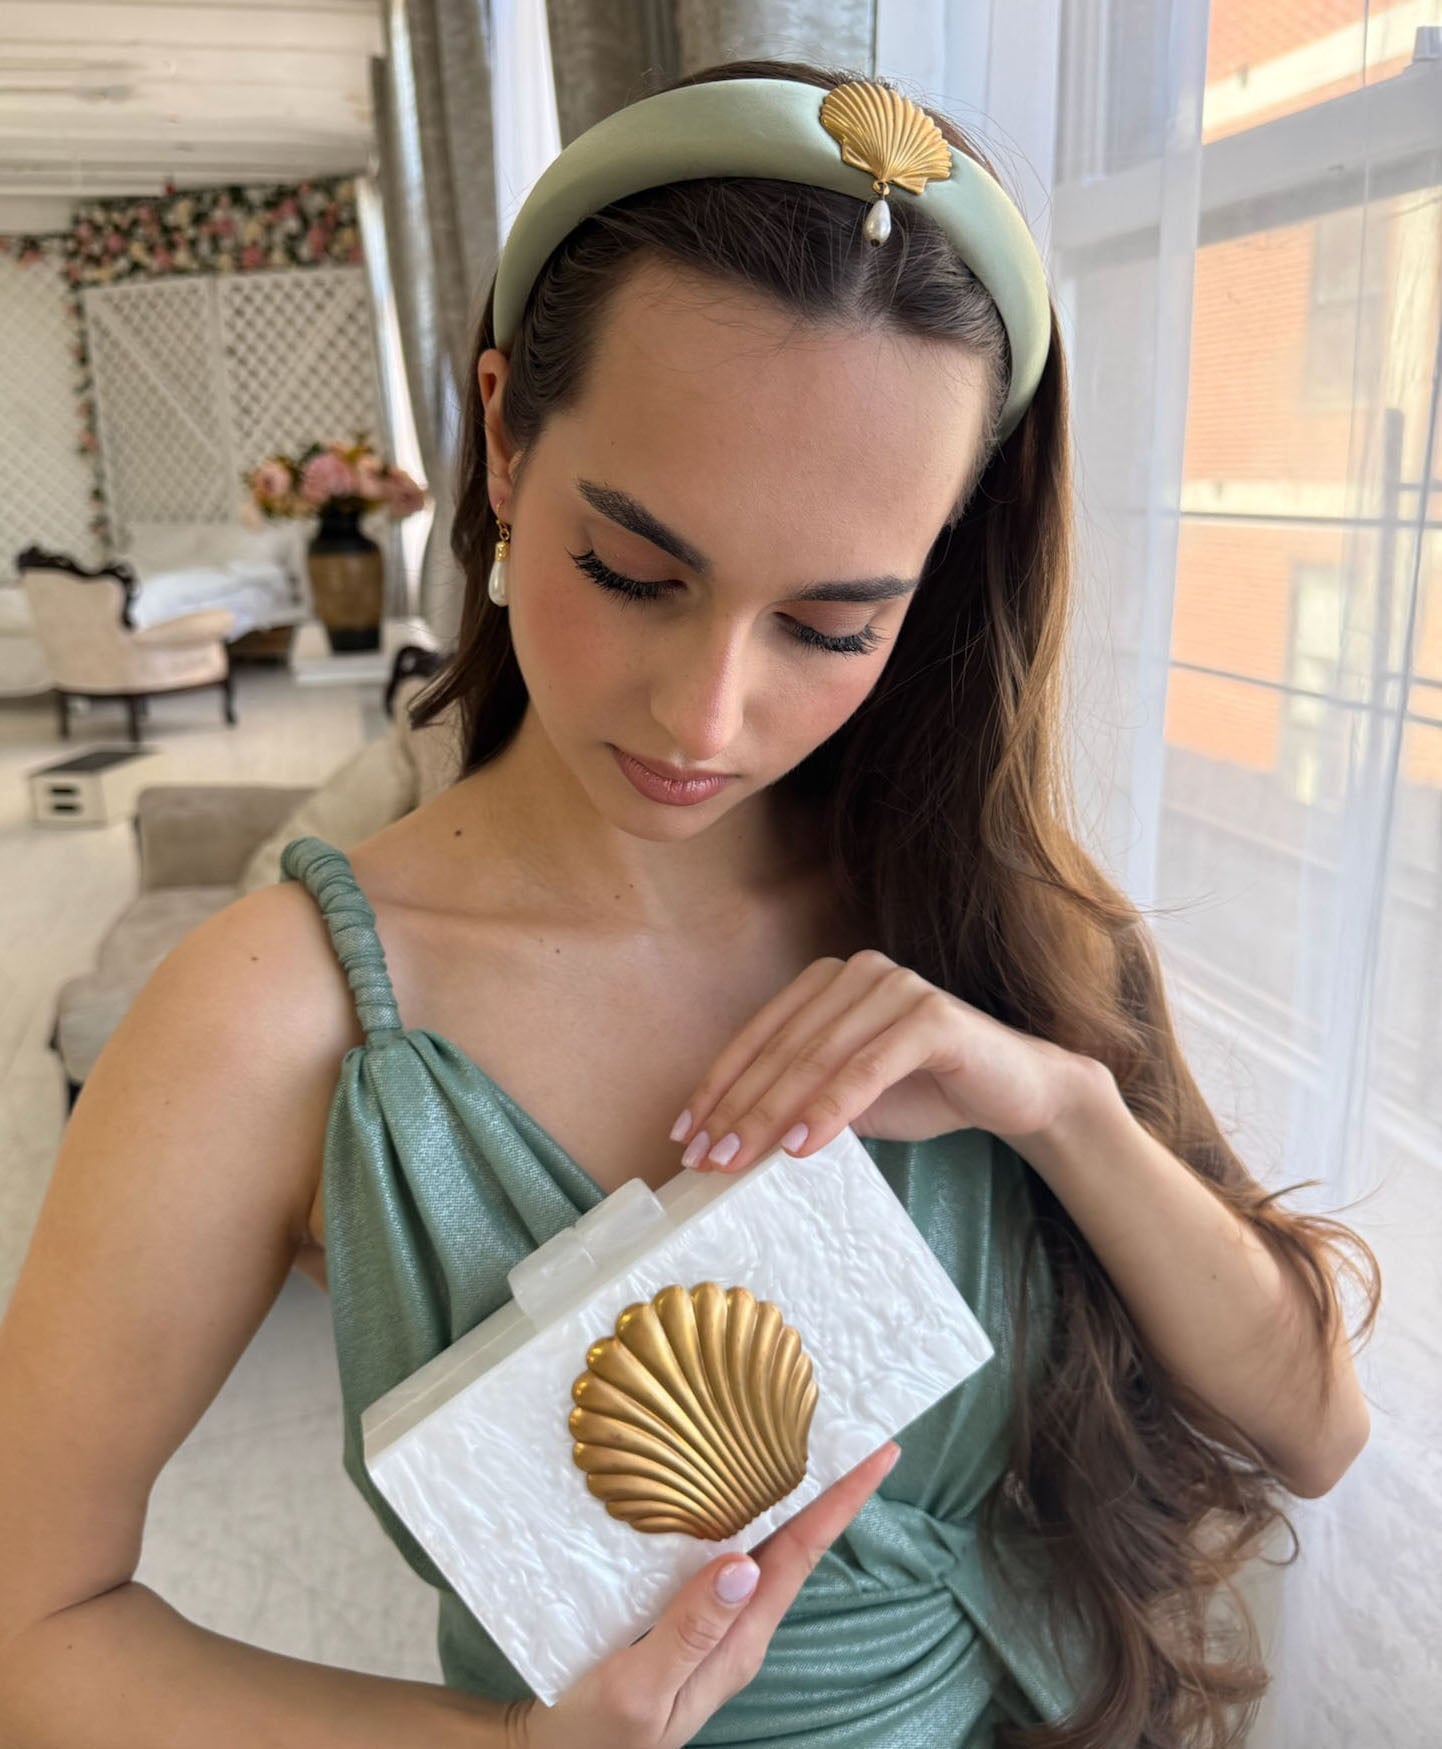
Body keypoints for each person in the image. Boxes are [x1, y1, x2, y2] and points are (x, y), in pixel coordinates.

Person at [0, 56, 1381, 1749]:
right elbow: (29, 1624)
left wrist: (1060, 1109)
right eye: (634, 572)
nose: (704, 718)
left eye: (832, 625)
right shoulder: (267, 1017)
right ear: (504, 437)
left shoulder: (1001, 921)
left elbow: (1318, 1431)